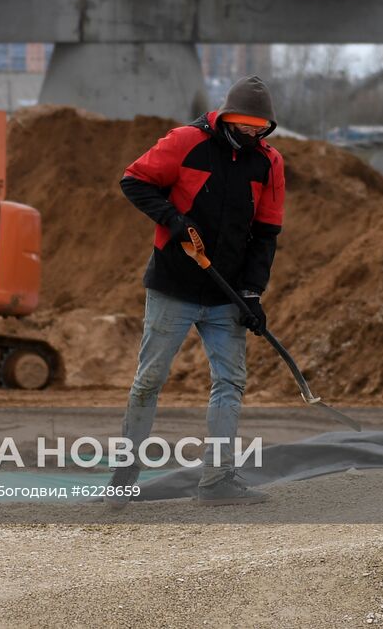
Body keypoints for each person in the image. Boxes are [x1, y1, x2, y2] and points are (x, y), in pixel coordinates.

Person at [108, 76, 286, 507]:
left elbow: (266, 233)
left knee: (231, 381)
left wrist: (251, 294)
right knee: (149, 380)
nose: (249, 134)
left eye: (258, 128)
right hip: (174, 285)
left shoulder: (268, 163)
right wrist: (172, 218)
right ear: (225, 117)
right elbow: (134, 181)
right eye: (243, 125)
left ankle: (217, 480)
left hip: (227, 295)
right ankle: (123, 481)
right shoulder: (187, 142)